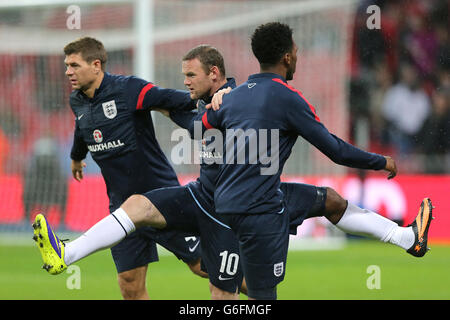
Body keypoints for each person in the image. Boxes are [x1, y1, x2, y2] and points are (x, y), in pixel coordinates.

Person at [34, 27, 434, 300]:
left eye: (191, 75)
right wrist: (204, 110)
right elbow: (196, 121)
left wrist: (215, 105)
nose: (185, 82)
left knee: (230, 286)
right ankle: (65, 254)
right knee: (139, 209)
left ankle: (404, 238)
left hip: (242, 208)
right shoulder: (226, 102)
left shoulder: (242, 98)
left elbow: (326, 147)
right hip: (211, 199)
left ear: (214, 73)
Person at [193, 22, 434, 299]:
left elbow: (199, 126)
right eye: (295, 51)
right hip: (259, 210)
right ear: (286, 57)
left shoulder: (234, 97)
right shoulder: (287, 98)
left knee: (329, 200)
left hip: (228, 203)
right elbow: (335, 150)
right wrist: (380, 161)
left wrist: (212, 100)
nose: (297, 56)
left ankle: (407, 238)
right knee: (262, 297)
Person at [35, 37, 206, 300]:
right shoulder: (77, 101)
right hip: (121, 208)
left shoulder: (129, 89)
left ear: (95, 65)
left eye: (74, 65)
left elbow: (174, 99)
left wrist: (218, 97)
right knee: (129, 282)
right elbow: (82, 129)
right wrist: (76, 157)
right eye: (66, 65)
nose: (68, 71)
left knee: (203, 267)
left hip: (160, 199)